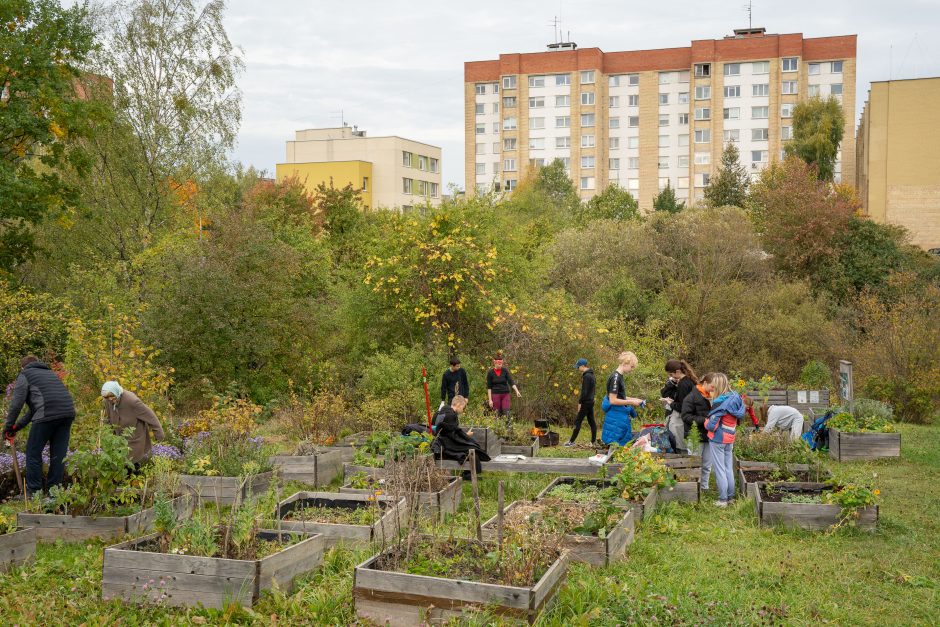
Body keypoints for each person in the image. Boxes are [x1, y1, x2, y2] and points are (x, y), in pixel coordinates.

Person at [3, 355, 76, 497]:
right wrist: (17, 427)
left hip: (47, 414)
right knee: (58, 455)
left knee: (33, 453)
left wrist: (8, 426)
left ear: (22, 367)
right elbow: (35, 408)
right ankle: (54, 493)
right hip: (67, 413)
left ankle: (34, 492)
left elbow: (16, 404)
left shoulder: (25, 375)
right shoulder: (49, 374)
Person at [101, 381, 166, 467]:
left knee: (134, 467)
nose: (110, 399)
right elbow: (108, 419)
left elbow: (151, 417)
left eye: (112, 396)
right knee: (120, 468)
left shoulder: (132, 401)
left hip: (135, 440)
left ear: (116, 391)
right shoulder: (108, 401)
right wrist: (107, 436)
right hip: (119, 442)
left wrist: (159, 435)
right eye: (107, 397)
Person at [703, 373, 745, 507]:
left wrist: (705, 421)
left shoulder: (720, 402)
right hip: (730, 437)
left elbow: (711, 426)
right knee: (728, 468)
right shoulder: (735, 397)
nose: (712, 388)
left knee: (719, 469)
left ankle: (722, 500)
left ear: (718, 385)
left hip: (718, 439)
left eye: (714, 386)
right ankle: (731, 497)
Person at [431, 395, 490, 479]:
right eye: (463, 407)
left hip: (439, 443)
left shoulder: (438, 413)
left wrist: (464, 435)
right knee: (474, 448)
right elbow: (452, 436)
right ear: (458, 404)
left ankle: (468, 473)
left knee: (472, 447)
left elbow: (448, 432)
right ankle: (469, 474)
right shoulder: (451, 415)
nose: (463, 410)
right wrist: (466, 436)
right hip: (446, 446)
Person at [600, 351, 646, 447]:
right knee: (615, 442)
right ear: (625, 363)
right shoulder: (615, 378)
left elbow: (620, 396)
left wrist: (635, 399)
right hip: (615, 415)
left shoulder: (619, 376)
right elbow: (613, 400)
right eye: (632, 367)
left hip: (619, 414)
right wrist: (632, 402)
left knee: (621, 441)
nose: (632, 369)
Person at [682, 373, 714, 488]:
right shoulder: (690, 397)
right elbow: (685, 417)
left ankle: (704, 487)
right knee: (695, 464)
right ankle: (693, 488)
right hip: (695, 435)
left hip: (709, 436)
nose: (714, 389)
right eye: (712, 386)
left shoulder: (712, 397)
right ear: (705, 383)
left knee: (707, 464)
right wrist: (704, 420)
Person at [660, 359, 698, 454]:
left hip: (681, 421)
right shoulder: (688, 381)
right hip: (684, 420)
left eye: (671, 375)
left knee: (679, 447)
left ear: (677, 372)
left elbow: (683, 406)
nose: (670, 377)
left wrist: (670, 403)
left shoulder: (683, 384)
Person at [566, 358, 597, 446]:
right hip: (591, 401)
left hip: (586, 402)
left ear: (583, 366)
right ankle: (593, 441)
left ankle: (571, 442)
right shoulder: (592, 375)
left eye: (578, 367)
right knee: (591, 421)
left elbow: (585, 392)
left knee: (578, 421)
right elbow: (593, 391)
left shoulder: (586, 376)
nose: (577, 368)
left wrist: (580, 403)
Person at [486, 353, 521, 423]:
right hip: (495, 394)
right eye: (499, 364)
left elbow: (511, 382)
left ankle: (509, 430)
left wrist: (517, 391)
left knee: (506, 412)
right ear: (495, 363)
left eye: (501, 364)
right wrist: (490, 400)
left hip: (505, 394)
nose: (500, 365)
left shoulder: (505, 370)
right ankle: (496, 430)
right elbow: (489, 387)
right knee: (496, 414)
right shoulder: (490, 373)